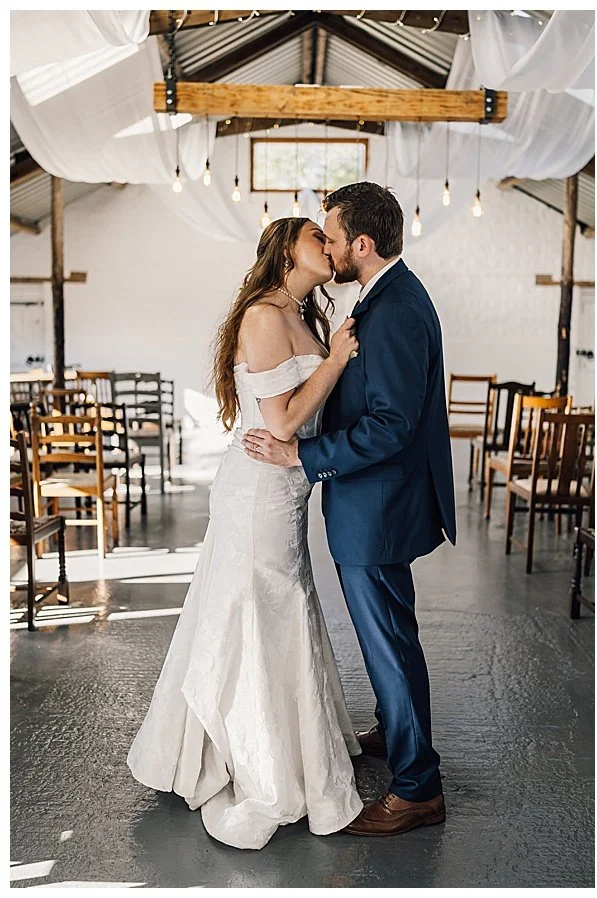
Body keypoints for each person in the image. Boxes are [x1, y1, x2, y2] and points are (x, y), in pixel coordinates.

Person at [127, 217, 364, 849]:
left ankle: (292, 744)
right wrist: (337, 360)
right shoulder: (263, 316)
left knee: (281, 609)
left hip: (287, 488)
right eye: (318, 236)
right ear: (289, 251)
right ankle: (261, 760)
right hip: (258, 489)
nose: (329, 244)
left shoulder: (303, 313)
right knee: (260, 612)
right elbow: (282, 421)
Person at [243, 182, 456, 837]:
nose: (327, 247)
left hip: (378, 507)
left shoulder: (394, 309)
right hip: (373, 501)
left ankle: (417, 789)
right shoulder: (384, 293)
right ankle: (398, 735)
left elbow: (391, 426)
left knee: (388, 645)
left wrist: (302, 460)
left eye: (331, 236)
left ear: (361, 245)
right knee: (390, 638)